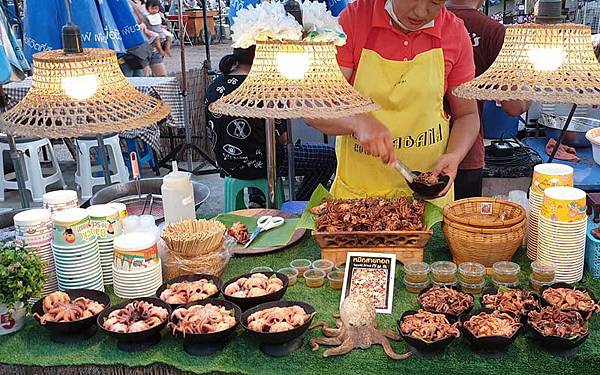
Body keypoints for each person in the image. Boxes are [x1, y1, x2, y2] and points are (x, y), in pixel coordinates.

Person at [307, 0, 479, 207]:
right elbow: (314, 107)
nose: (421, 11)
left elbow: (467, 115)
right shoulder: (353, 20)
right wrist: (358, 122)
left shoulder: (455, 32)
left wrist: (455, 155)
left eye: (435, 3)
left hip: (428, 202)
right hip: (357, 200)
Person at [205, 47, 337, 205]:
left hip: (226, 163)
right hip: (264, 164)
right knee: (328, 156)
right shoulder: (266, 90)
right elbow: (283, 138)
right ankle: (300, 204)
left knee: (256, 144)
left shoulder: (215, 85)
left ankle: (258, 198)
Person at [447, 0, 530, 199]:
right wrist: (532, 86)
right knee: (462, 227)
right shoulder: (494, 32)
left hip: (418, 148)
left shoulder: (421, 21)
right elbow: (514, 106)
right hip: (467, 152)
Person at [129, 0, 168, 76]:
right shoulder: (126, 4)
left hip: (153, 48)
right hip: (138, 49)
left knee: (163, 78)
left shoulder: (150, 2)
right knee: (143, 79)